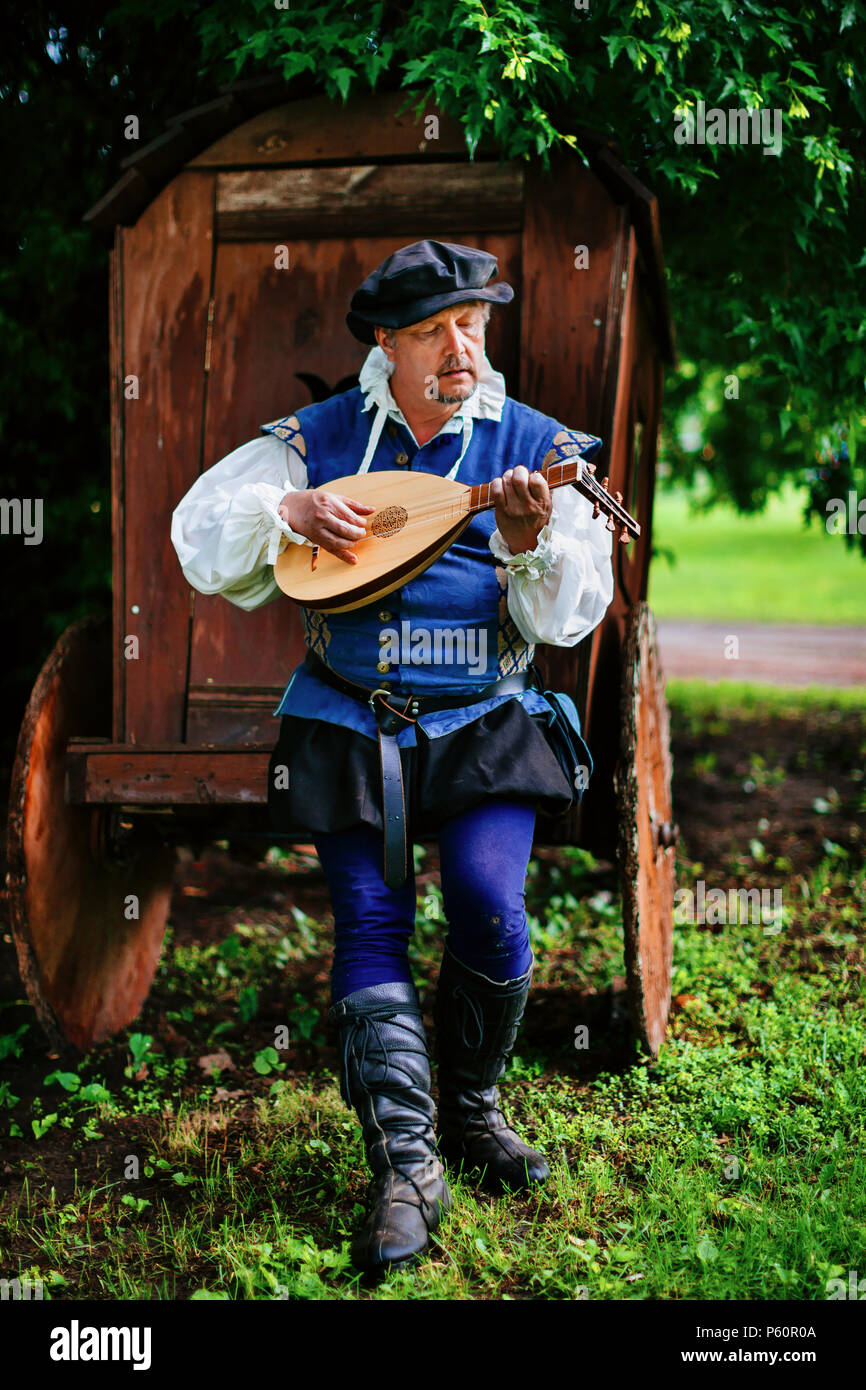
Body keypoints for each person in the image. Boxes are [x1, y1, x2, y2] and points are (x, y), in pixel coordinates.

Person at [171, 240, 614, 1274]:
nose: (460, 347)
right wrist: (287, 510)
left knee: (488, 903)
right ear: (386, 342)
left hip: (484, 718)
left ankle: (472, 1109)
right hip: (347, 719)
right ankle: (407, 1169)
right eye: (432, 331)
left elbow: (565, 615)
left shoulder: (536, 445)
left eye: (472, 324)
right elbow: (200, 534)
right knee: (371, 921)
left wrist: (524, 542)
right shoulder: (319, 438)